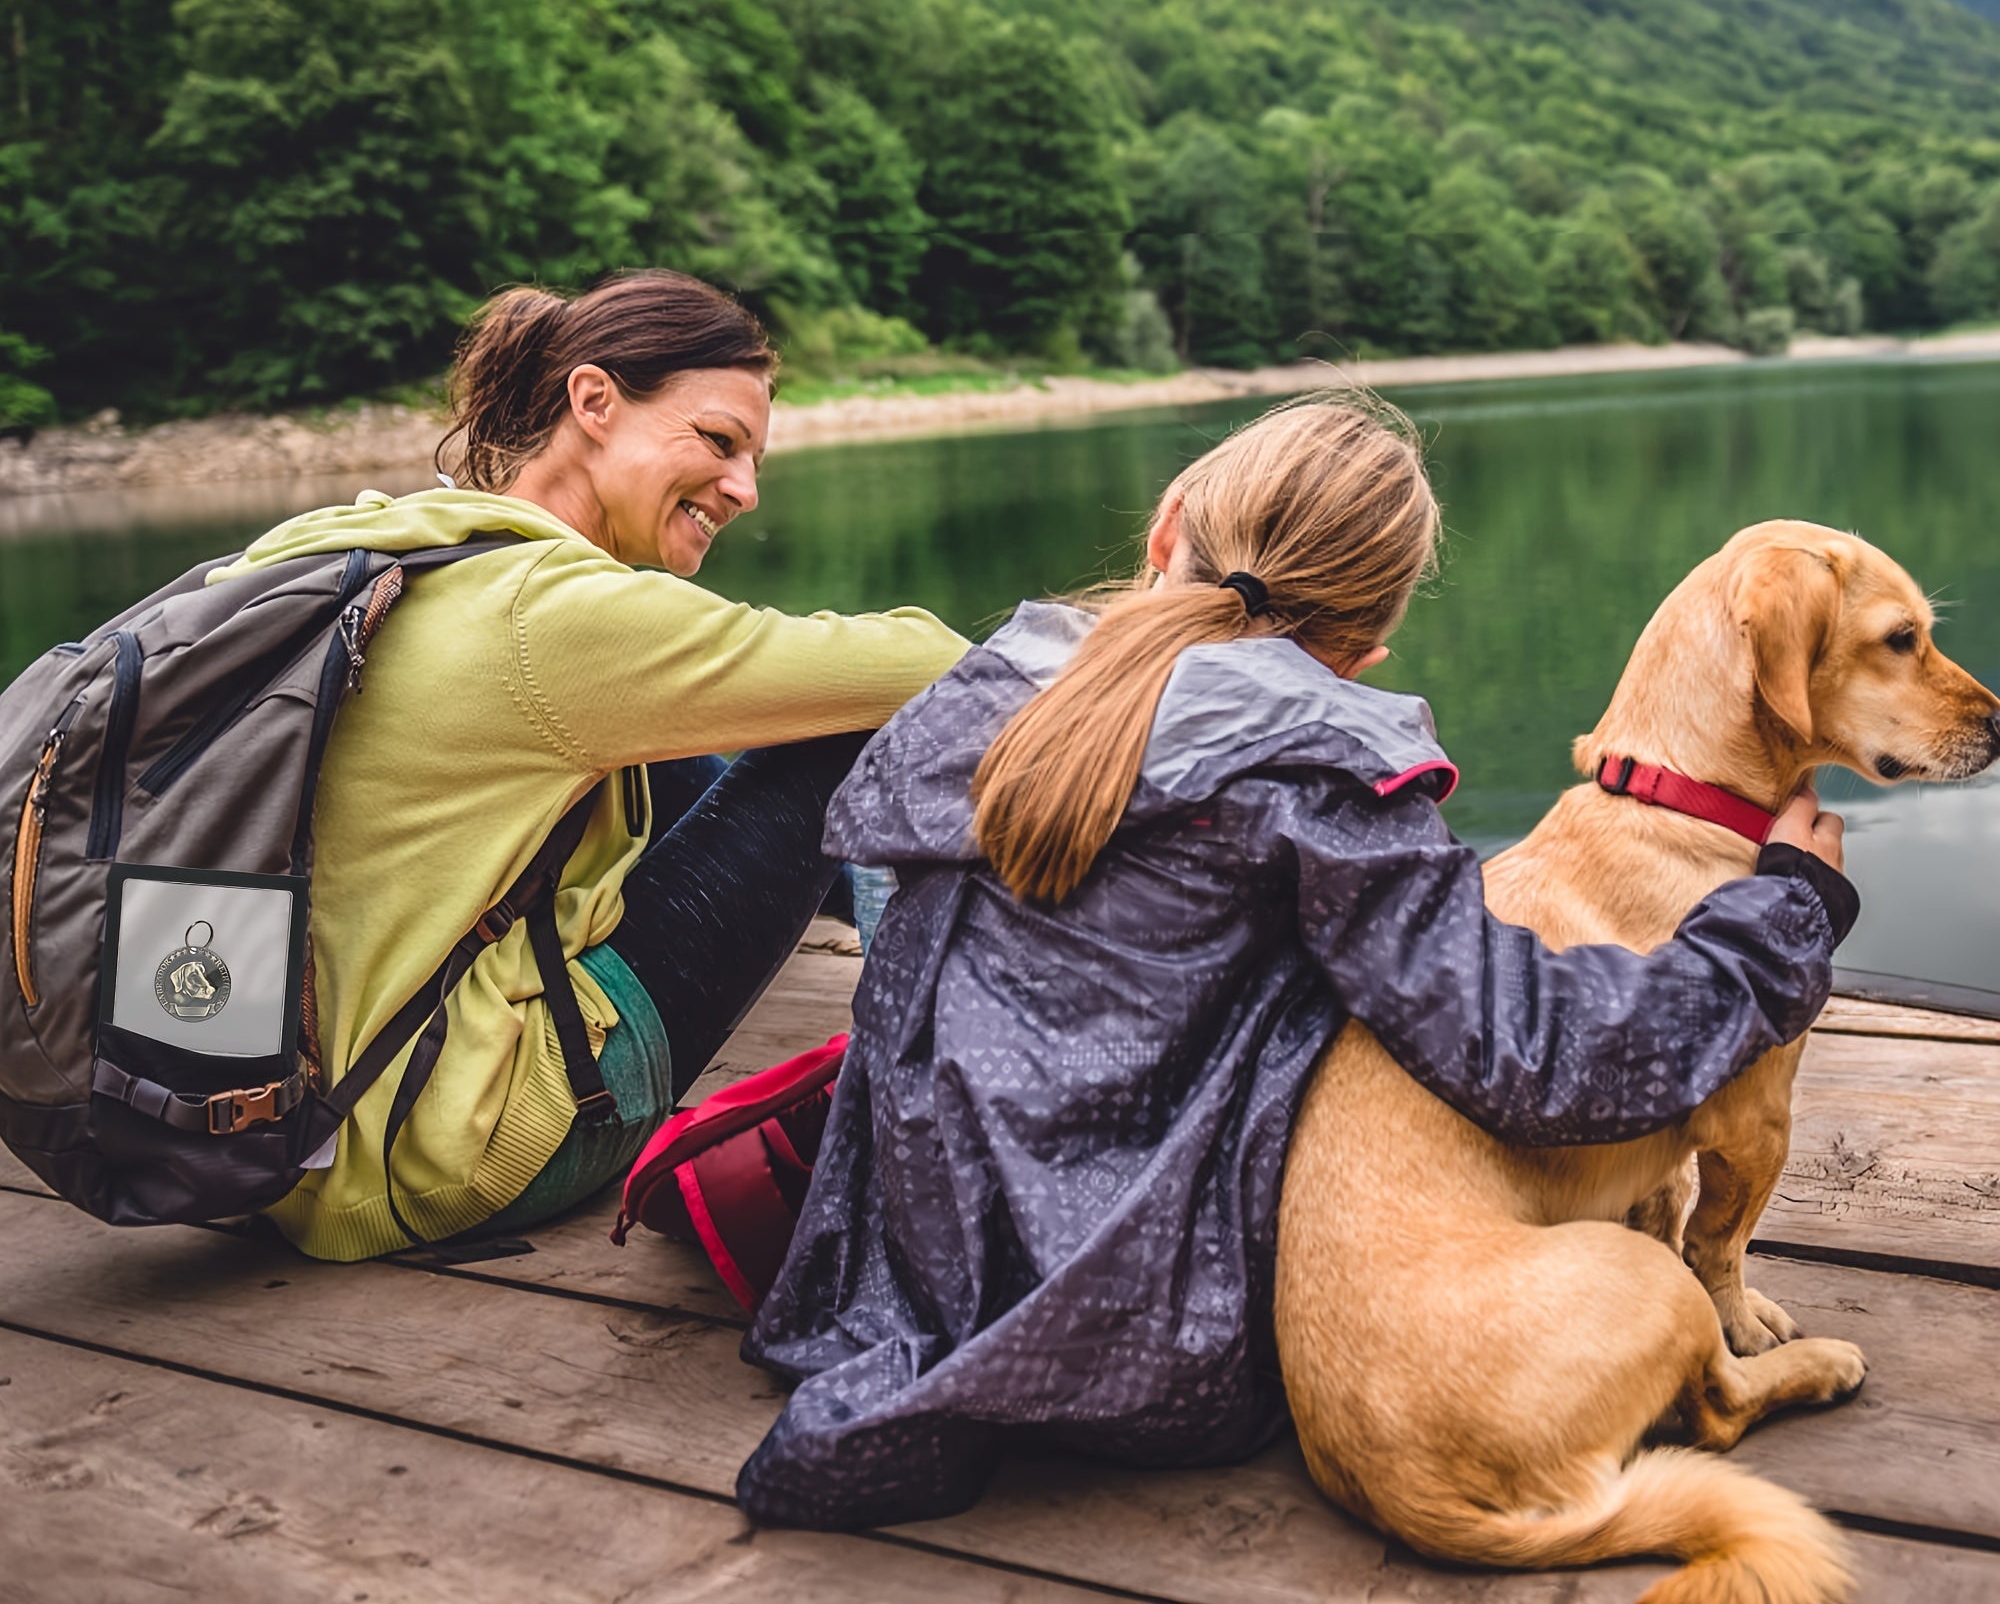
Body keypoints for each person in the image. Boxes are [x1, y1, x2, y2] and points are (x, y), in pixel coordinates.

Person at [736, 392, 1855, 1528]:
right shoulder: (1320, 786)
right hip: (1160, 1347)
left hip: (887, 1292)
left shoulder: (982, 702)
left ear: (1165, 528)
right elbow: (1538, 1057)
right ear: (1366, 648)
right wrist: (1779, 914)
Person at [241, 271, 966, 1261]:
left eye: (753, 458)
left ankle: (850, 922)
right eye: (718, 443)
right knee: (849, 728)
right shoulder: (556, 613)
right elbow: (932, 662)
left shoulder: (362, 547)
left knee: (646, 745)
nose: (745, 490)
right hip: (453, 1153)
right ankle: (923, 1120)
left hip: (273, 1137)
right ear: (592, 403)